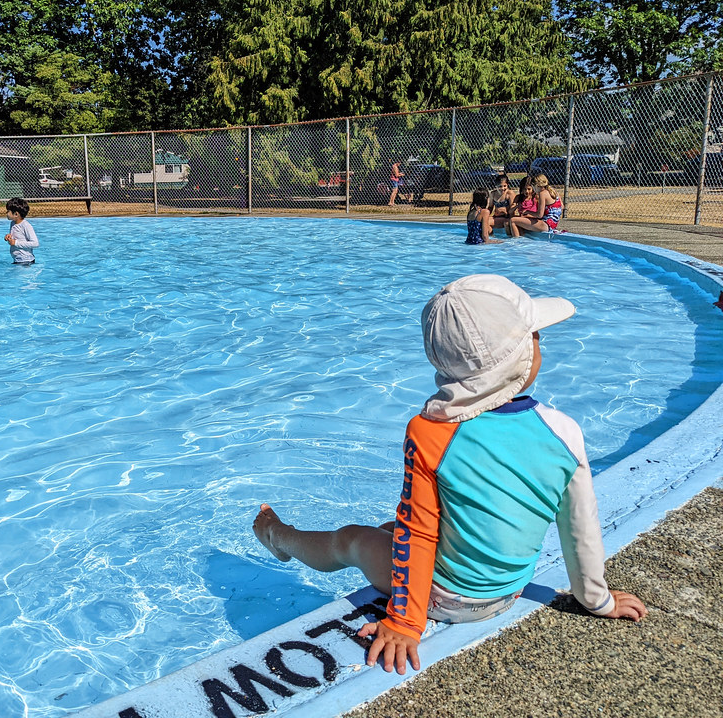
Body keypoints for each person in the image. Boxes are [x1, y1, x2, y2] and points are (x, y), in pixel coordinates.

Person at [253, 274, 647, 675]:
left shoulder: (429, 432)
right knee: (389, 527)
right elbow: (580, 526)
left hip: (446, 599)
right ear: (519, 358)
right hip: (510, 590)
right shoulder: (564, 431)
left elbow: (418, 530)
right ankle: (296, 540)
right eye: (535, 337)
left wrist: (406, 623)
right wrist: (599, 601)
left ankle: (278, 538)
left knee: (353, 540)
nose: (539, 343)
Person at [3, 197, 39, 265]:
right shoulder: (13, 223)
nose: (6, 213)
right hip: (17, 259)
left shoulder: (26, 226)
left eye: (8, 211)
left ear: (16, 214)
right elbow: (15, 239)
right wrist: (9, 237)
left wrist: (16, 243)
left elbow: (35, 243)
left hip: (26, 261)